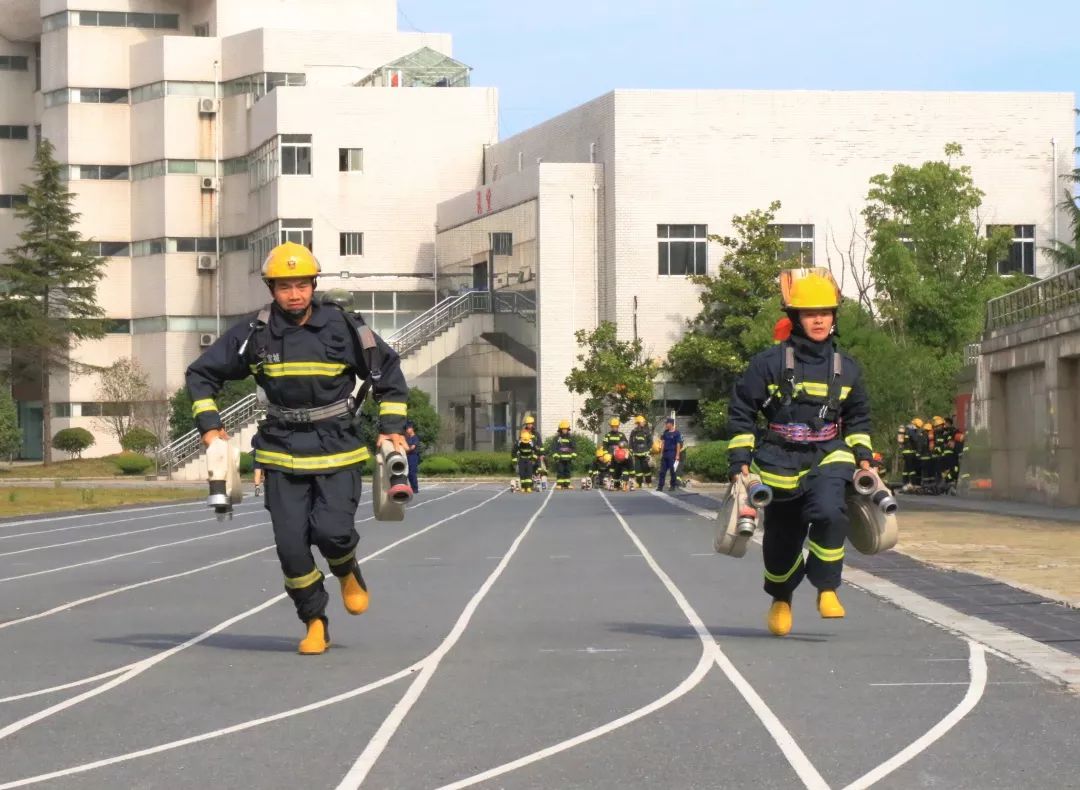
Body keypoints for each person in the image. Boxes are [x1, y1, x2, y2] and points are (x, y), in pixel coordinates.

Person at [186, 241, 410, 655]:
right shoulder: (253, 333)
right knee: (291, 548)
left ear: (313, 284)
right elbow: (201, 375)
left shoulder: (346, 328)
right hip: (279, 450)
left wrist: (390, 426)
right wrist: (210, 427)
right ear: (272, 289)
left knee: (333, 532)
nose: (294, 293)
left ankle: (345, 569)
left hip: (337, 448)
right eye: (285, 286)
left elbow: (389, 373)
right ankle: (314, 622)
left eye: (301, 284)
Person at [726, 268, 874, 637]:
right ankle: (781, 600)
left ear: (834, 316)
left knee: (830, 513)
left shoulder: (848, 367)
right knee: (781, 538)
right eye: (811, 313)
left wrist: (864, 457)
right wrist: (739, 462)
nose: (819, 319)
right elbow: (743, 410)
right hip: (778, 459)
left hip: (828, 453)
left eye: (825, 312)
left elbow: (858, 417)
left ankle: (827, 587)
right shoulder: (767, 363)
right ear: (795, 317)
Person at [656, 418, 682, 491]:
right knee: (662, 471)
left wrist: (677, 455)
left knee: (672, 471)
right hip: (665, 453)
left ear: (671, 424)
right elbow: (663, 443)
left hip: (672, 453)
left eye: (667, 423)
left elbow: (678, 445)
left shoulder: (677, 433)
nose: (666, 424)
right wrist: (661, 453)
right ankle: (660, 486)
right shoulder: (665, 432)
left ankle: (672, 486)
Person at [603, 417, 628, 490]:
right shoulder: (608, 435)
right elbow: (605, 445)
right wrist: (606, 455)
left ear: (618, 426)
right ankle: (610, 483)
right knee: (610, 469)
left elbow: (626, 445)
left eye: (616, 426)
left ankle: (618, 484)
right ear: (611, 427)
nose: (614, 428)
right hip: (610, 455)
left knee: (619, 469)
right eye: (613, 427)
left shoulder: (621, 435)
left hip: (619, 456)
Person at [629, 415, 653, 490]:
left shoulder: (646, 431)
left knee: (646, 469)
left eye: (643, 422)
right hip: (636, 454)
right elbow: (631, 442)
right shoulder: (634, 432)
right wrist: (631, 450)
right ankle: (639, 483)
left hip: (645, 453)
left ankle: (649, 482)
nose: (644, 423)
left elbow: (650, 442)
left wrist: (648, 450)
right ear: (639, 423)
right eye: (642, 422)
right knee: (638, 470)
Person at [552, 420, 576, 490]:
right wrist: (555, 455)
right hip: (560, 459)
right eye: (563, 429)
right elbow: (554, 447)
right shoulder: (557, 438)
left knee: (567, 471)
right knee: (560, 471)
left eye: (566, 429)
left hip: (568, 458)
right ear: (560, 429)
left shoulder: (570, 438)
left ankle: (567, 484)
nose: (564, 430)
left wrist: (573, 455)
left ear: (568, 429)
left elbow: (573, 447)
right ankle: (560, 484)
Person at [513, 429, 536, 493]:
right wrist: (515, 462)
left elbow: (536, 451)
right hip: (522, 459)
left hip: (529, 459)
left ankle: (528, 487)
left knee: (529, 473)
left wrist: (533, 459)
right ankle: (523, 487)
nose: (525, 443)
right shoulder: (519, 443)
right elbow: (514, 452)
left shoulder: (531, 442)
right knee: (522, 473)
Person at [404, 421, 421, 494]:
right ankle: (408, 488)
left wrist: (406, 451)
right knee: (406, 473)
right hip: (407, 456)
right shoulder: (406, 438)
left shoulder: (415, 437)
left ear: (412, 429)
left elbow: (413, 447)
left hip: (413, 456)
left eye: (408, 428)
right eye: (406, 429)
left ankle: (415, 488)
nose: (407, 430)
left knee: (412, 473)